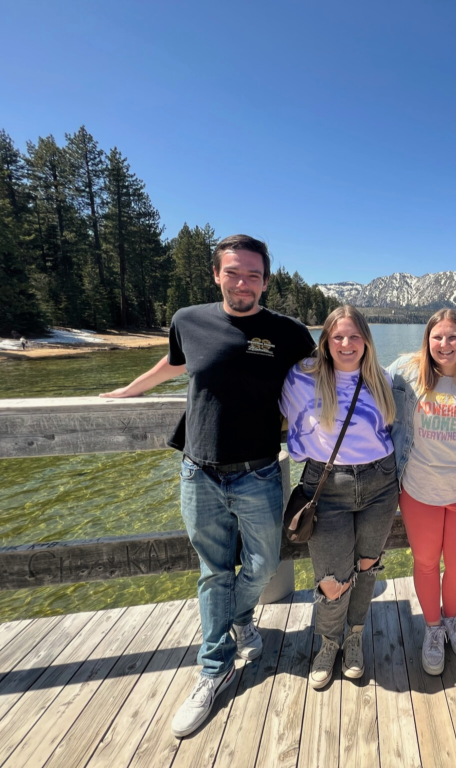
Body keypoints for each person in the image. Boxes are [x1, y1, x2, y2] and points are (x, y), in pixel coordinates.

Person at [100, 234, 315, 738]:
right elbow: (174, 365)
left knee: (262, 562)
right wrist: (129, 391)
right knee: (214, 572)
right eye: (234, 273)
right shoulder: (187, 320)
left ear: (266, 279)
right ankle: (213, 671)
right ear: (216, 274)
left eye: (254, 275)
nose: (244, 283)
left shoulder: (286, 332)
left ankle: (241, 618)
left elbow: (321, 376)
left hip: (260, 471)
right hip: (199, 471)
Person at [279, 305, 399, 690]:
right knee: (332, 578)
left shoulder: (381, 377)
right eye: (338, 337)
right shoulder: (302, 378)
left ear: (366, 341)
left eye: (354, 336)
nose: (346, 344)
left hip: (381, 482)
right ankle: (328, 642)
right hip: (326, 486)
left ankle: (354, 637)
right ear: (326, 342)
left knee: (367, 566)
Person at [387, 309, 456, 675]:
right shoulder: (405, 371)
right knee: (426, 562)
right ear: (427, 340)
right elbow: (362, 381)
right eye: (438, 337)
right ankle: (432, 628)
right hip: (418, 489)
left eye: (453, 337)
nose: (444, 345)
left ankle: (452, 619)